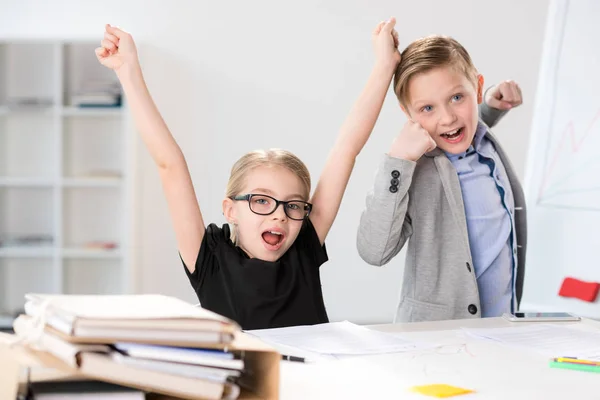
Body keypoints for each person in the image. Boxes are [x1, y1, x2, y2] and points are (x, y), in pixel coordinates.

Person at [95, 19, 402, 329]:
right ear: (231, 210)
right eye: (262, 201)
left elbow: (346, 149)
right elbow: (170, 164)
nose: (280, 216)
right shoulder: (210, 259)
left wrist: (384, 67)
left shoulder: (303, 246)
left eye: (293, 205)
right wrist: (128, 71)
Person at [356, 34, 525, 323]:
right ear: (408, 113)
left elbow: (469, 125)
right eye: (427, 108)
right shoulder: (415, 171)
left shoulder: (482, 139)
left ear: (478, 88)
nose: (447, 117)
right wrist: (398, 161)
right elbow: (374, 251)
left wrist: (492, 106)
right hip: (438, 339)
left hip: (504, 328)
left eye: (457, 97)